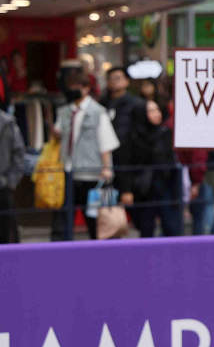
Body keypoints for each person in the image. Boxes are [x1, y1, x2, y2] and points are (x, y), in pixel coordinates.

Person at [50, 69, 118, 241]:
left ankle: (99, 250)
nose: (73, 90)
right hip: (68, 172)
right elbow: (57, 133)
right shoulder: (64, 111)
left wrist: (107, 169)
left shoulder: (98, 111)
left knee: (96, 221)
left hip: (93, 175)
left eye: (77, 86)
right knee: (64, 219)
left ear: (86, 88)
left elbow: (105, 143)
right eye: (70, 86)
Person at [116, 101, 184, 237]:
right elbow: (124, 164)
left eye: (157, 109)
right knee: (145, 227)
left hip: (165, 186)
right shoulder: (131, 137)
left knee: (171, 226)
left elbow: (171, 160)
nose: (156, 114)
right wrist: (126, 190)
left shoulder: (165, 133)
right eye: (151, 111)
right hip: (142, 190)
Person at [101, 66, 143, 147]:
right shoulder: (102, 103)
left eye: (117, 78)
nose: (113, 81)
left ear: (127, 81)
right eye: (110, 79)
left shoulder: (136, 103)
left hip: (129, 148)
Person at [0, 105, 25, 243]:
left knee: (5, 231)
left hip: (3, 186)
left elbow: (19, 154)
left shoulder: (8, 122)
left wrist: (11, 181)